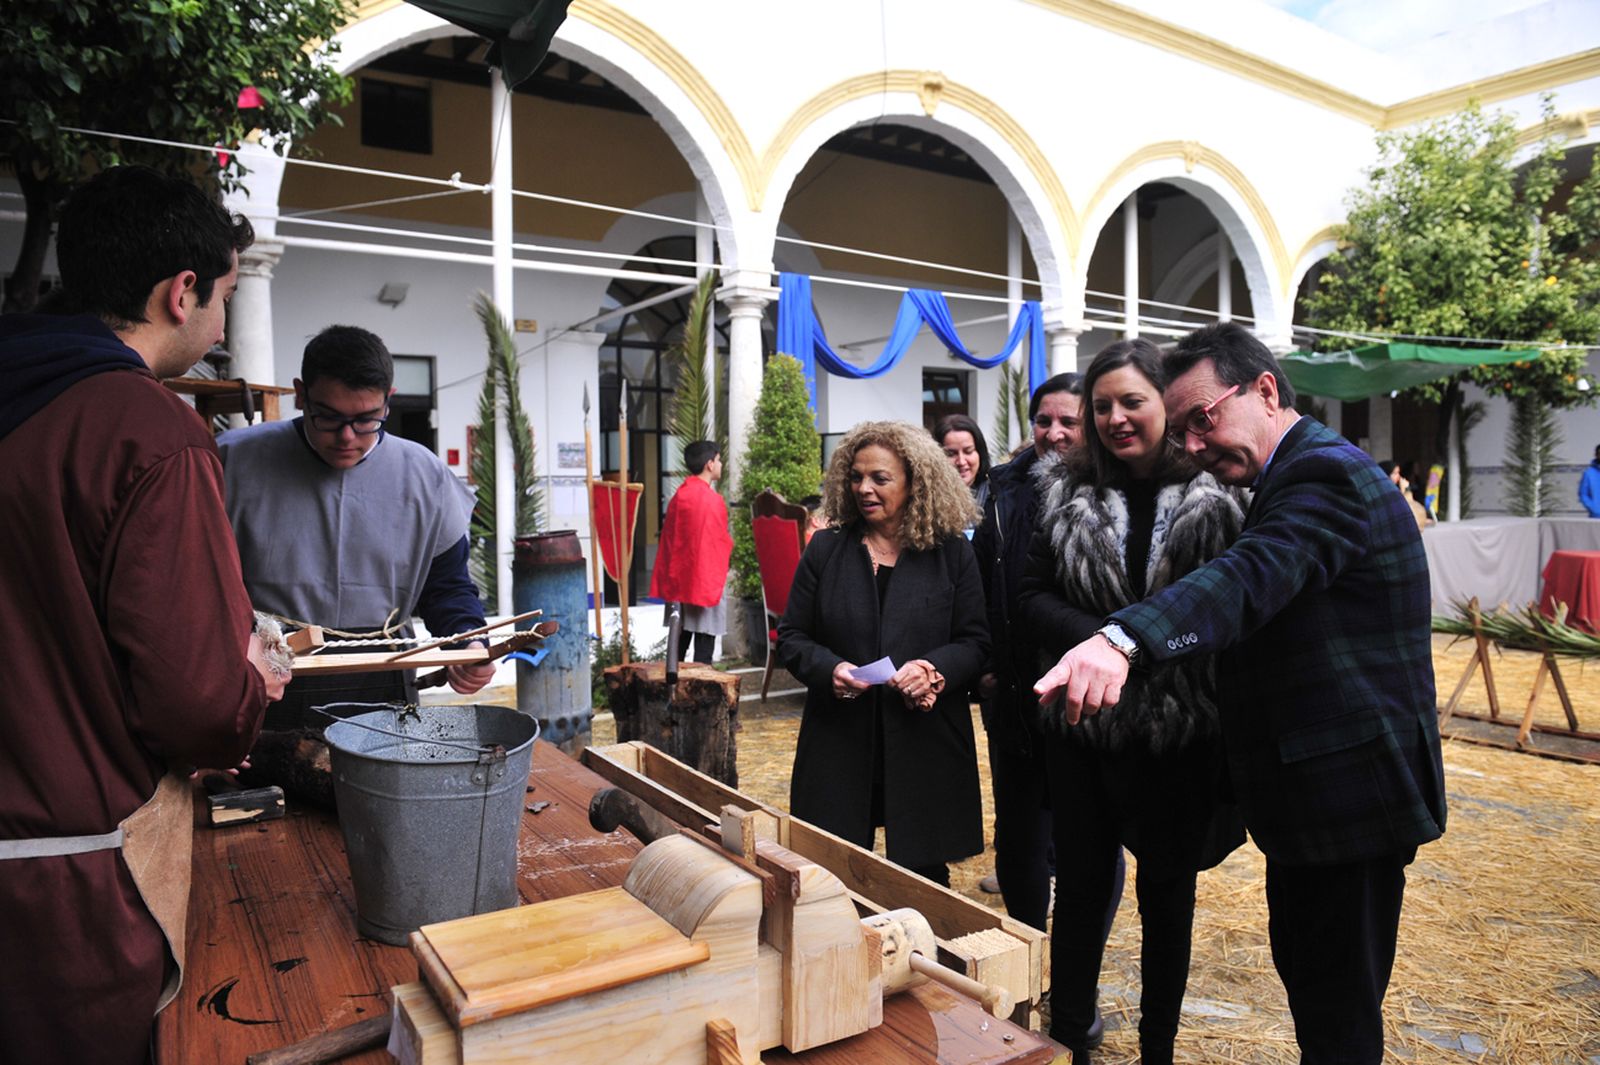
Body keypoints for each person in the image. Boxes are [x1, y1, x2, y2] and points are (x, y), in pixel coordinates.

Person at [1036, 322, 1447, 1065]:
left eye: (1203, 418)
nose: (1192, 444)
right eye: (1184, 428)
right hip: (1313, 801)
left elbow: (1248, 577)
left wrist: (1123, 637)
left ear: (1264, 389)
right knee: (1320, 994)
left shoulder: (1321, 475)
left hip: (1348, 794)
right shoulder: (1283, 476)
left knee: (1337, 1013)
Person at [0, 165, 285, 1065]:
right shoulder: (147, 433)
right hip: (67, 897)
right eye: (228, 297)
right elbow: (196, 705)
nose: (223, 325)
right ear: (183, 291)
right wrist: (254, 676)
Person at [1018, 341, 1246, 1062]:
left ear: (1168, 407)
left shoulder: (1222, 494)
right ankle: (1073, 1036)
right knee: (1081, 891)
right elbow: (1029, 595)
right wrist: (1107, 639)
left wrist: (1139, 645)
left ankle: (1158, 1047)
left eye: (1133, 402)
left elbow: (1231, 609)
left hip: (1179, 731)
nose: (1116, 418)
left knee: (1168, 900)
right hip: (1084, 726)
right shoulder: (1061, 491)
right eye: (1103, 404)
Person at [217, 324, 493, 729]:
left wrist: (469, 643)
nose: (347, 437)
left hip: (384, 677)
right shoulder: (231, 462)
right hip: (265, 672)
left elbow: (447, 587)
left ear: (388, 402)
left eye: (367, 420)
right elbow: (201, 586)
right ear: (300, 393)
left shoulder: (424, 476)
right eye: (328, 417)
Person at [777, 421, 990, 886]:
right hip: (840, 740)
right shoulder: (827, 550)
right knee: (832, 875)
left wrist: (934, 670)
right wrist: (829, 669)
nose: (863, 489)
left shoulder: (950, 552)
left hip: (923, 742)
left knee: (924, 880)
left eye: (880, 478)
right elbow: (792, 635)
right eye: (855, 477)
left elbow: (976, 642)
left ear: (916, 480)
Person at [969, 372, 1088, 925]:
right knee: (1017, 839)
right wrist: (987, 665)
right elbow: (982, 586)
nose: (1055, 433)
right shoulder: (1001, 490)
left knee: (1086, 840)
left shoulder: (1106, 491)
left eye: (1070, 420)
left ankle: (1071, 972)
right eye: (1044, 420)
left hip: (1083, 698)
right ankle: (1025, 951)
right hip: (1014, 695)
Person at [651, 440, 733, 664]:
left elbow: (671, 541)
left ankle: (672, 692)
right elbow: (719, 543)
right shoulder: (712, 501)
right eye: (718, 459)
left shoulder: (680, 496)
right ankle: (701, 696)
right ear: (709, 464)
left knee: (677, 647)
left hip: (681, 582)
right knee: (703, 651)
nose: (720, 463)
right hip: (705, 581)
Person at [933, 412, 992, 518]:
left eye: (968, 451)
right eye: (951, 454)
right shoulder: (925, 501)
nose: (961, 461)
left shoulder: (996, 497)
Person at [1581, 443, 1600, 517]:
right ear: (1596, 455)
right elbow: (1583, 494)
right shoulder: (1589, 473)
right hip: (1596, 518)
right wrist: (1595, 510)